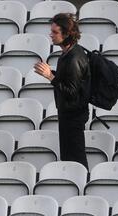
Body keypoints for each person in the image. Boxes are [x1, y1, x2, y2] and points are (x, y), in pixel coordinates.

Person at [34, 13, 91, 170]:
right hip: (68, 113)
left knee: (76, 159)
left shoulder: (74, 58)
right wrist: (52, 73)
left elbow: (71, 91)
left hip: (74, 115)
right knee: (68, 157)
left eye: (55, 32)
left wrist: (50, 76)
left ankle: (81, 188)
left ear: (67, 34)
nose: (51, 35)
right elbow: (68, 81)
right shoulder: (67, 54)